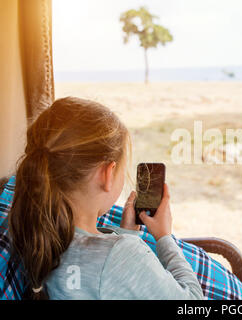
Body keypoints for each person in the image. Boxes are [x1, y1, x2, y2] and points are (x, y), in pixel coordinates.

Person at [7, 97, 204, 300]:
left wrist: (127, 233)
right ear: (107, 174)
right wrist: (164, 237)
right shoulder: (122, 254)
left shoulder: (38, 232)